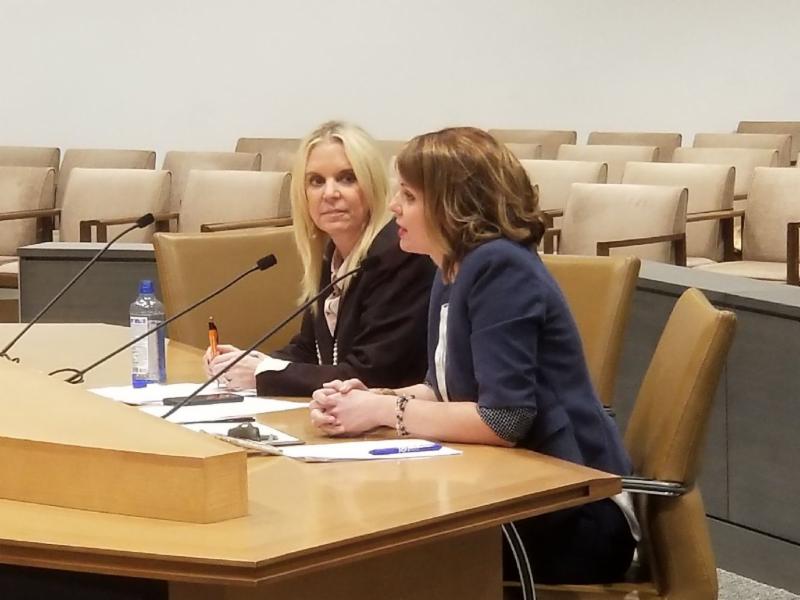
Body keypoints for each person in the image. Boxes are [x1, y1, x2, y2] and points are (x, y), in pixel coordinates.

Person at [308, 127, 638, 587]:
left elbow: (504, 419)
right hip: (512, 490)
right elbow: (441, 388)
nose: (393, 207)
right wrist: (367, 399)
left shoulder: (500, 267)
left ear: (453, 205)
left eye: (409, 196)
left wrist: (385, 411)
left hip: (574, 511)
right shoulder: (450, 266)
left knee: (363, 547)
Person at [204, 121, 435, 396]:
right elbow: (308, 350)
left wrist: (262, 374)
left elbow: (370, 373)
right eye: (316, 181)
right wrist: (247, 362)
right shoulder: (332, 255)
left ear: (372, 184)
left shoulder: (401, 256)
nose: (330, 193)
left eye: (347, 178)